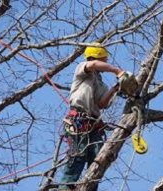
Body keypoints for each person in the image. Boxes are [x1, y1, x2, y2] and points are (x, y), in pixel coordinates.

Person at [59, 42, 125, 191]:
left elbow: (102, 103)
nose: (106, 63)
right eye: (104, 60)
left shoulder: (101, 83)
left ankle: (90, 187)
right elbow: (93, 65)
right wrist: (116, 70)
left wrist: (116, 87)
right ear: (97, 57)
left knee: (99, 156)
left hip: (93, 124)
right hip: (78, 120)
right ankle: (65, 187)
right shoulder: (83, 69)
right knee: (78, 154)